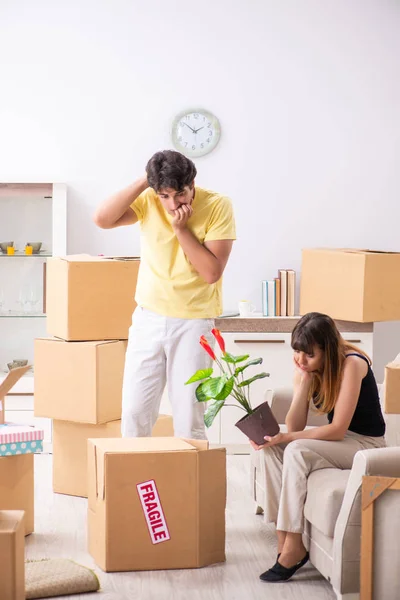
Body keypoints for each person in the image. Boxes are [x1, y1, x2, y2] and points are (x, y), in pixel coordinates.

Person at [93, 150, 236, 439]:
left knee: (188, 417)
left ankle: (189, 484)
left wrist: (180, 229)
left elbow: (211, 272)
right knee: (134, 414)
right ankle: (133, 482)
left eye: (179, 194)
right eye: (164, 196)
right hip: (149, 318)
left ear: (192, 182)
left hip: (194, 322)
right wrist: (146, 182)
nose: (172, 204)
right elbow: (102, 219)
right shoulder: (149, 200)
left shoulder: (218, 205)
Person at [251, 312, 386, 583]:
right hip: (340, 442)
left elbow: (337, 429)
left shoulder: (352, 364)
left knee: (296, 449)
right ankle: (284, 540)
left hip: (364, 444)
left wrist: (288, 438)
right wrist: (304, 382)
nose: (301, 359)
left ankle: (294, 546)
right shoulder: (311, 368)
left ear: (329, 349)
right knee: (269, 448)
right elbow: (294, 423)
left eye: (309, 354)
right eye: (297, 352)